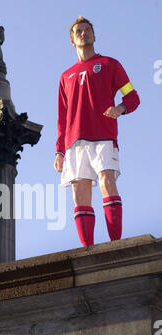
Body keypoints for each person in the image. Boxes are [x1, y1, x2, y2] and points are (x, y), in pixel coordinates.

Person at [54, 16, 140, 247]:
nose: (84, 33)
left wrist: (120, 108)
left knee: (107, 180)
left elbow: (132, 96)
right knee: (79, 192)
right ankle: (88, 251)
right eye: (79, 31)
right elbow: (62, 118)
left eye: (88, 30)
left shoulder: (111, 64)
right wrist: (59, 151)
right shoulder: (65, 77)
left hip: (103, 135)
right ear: (72, 40)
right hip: (74, 142)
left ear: (94, 35)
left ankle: (115, 245)